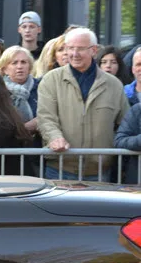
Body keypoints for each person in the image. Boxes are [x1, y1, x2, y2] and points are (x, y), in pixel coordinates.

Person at [37, 27, 129, 180]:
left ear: (94, 50)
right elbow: (46, 117)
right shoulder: (51, 80)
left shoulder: (114, 84)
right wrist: (54, 137)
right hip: (60, 167)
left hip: (100, 171)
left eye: (80, 49)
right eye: (70, 48)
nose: (74, 54)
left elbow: (125, 123)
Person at [0, 46, 39, 128]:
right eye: (14, 63)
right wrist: (26, 128)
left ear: (30, 67)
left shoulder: (41, 87)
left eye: (23, 62)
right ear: (5, 69)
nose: (19, 66)